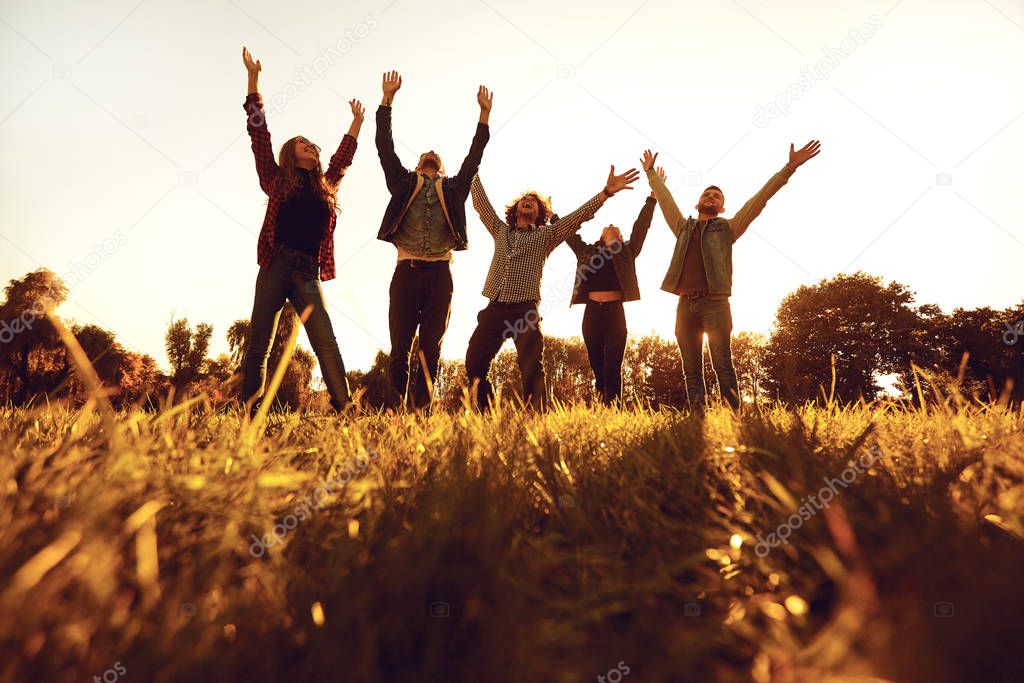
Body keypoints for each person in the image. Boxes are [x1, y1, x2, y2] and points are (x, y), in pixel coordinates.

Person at [641, 141, 821, 410]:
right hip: (684, 305)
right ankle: (697, 419)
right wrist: (651, 173)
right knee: (690, 368)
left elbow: (759, 199)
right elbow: (666, 201)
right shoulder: (683, 227)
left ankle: (733, 418)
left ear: (722, 208)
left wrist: (790, 167)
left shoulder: (728, 228)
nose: (711, 197)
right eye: (707, 194)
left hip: (715, 303)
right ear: (698, 202)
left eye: (717, 197)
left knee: (722, 364)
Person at [239, 46, 364, 415]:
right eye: (303, 144)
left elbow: (344, 156)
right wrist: (253, 80)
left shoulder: (326, 185)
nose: (311, 147)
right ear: (291, 155)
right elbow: (258, 134)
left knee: (325, 341)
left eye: (312, 144)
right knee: (260, 340)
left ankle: (345, 409)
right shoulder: (276, 180)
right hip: (277, 266)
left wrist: (356, 121)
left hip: (308, 272)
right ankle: (249, 412)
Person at [466, 165, 641, 410]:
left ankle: (535, 419)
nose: (527, 201)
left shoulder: (546, 235)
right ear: (515, 210)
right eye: (523, 200)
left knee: (531, 369)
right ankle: (484, 415)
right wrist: (470, 170)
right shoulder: (500, 230)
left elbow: (578, 216)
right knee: (474, 364)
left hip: (524, 311)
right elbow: (481, 204)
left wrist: (606, 193)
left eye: (533, 202)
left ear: (540, 213)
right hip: (494, 307)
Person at [375, 70, 492, 412]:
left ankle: (421, 411)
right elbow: (385, 147)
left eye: (435, 157)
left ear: (441, 168)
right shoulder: (403, 182)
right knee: (400, 345)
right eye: (425, 155)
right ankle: (396, 410)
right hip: (406, 271)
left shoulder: (454, 189)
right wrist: (387, 101)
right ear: (418, 164)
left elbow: (474, 158)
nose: (430, 155)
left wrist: (483, 115)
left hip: (440, 272)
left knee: (431, 346)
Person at [564, 167, 665, 405]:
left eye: (617, 228)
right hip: (592, 313)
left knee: (612, 365)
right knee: (597, 363)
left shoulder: (627, 251)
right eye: (608, 225)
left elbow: (641, 228)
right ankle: (603, 402)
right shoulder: (587, 251)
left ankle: (613, 405)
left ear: (620, 237)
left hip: (614, 313)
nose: (612, 225)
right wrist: (555, 218)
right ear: (600, 235)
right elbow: (568, 233)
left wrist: (652, 199)